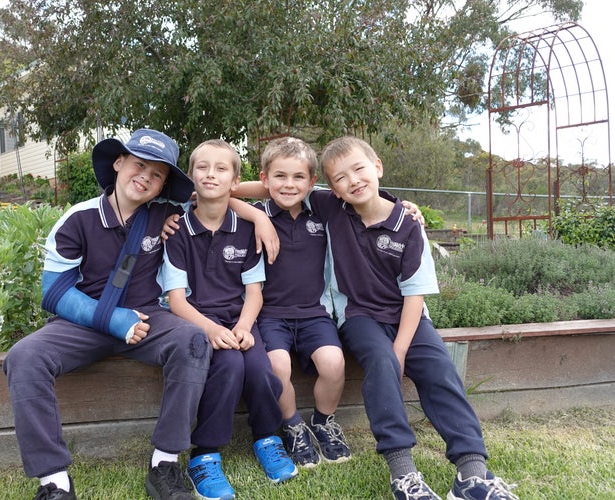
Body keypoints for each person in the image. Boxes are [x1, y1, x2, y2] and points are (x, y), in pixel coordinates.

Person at [3, 129, 274, 500]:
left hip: (148, 319)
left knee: (193, 340)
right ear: (118, 163)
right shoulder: (78, 218)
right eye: (138, 165)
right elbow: (54, 292)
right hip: (85, 322)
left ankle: (164, 464)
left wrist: (258, 219)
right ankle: (54, 482)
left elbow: (219, 194)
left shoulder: (165, 212)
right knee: (24, 357)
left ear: (163, 183)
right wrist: (115, 320)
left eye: (157, 173)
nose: (145, 176)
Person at [309, 135, 519, 500]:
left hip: (408, 316)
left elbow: (414, 294)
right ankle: (403, 473)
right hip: (358, 315)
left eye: (359, 169)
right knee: (380, 359)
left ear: (378, 168)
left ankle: (471, 475)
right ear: (334, 190)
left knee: (440, 369)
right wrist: (221, 194)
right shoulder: (333, 210)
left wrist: (402, 349)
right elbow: (279, 183)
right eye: (340, 178)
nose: (353, 180)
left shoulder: (408, 225)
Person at [160, 139, 298, 500]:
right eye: (203, 167)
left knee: (259, 367)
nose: (211, 174)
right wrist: (211, 329)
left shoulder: (245, 227)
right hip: (195, 320)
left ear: (235, 181)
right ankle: (204, 453)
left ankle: (267, 438)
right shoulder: (177, 231)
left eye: (222, 168)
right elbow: (176, 300)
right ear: (191, 176)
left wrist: (243, 327)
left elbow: (254, 292)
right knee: (229, 367)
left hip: (238, 319)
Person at [251, 137, 351, 468]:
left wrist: (404, 206)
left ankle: (323, 422)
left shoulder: (322, 210)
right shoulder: (254, 215)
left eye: (298, 177)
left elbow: (361, 195)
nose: (289, 184)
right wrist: (259, 217)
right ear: (264, 179)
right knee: (278, 367)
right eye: (280, 176)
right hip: (270, 316)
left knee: (334, 363)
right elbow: (214, 195)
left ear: (312, 182)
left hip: (313, 313)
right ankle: (293, 426)